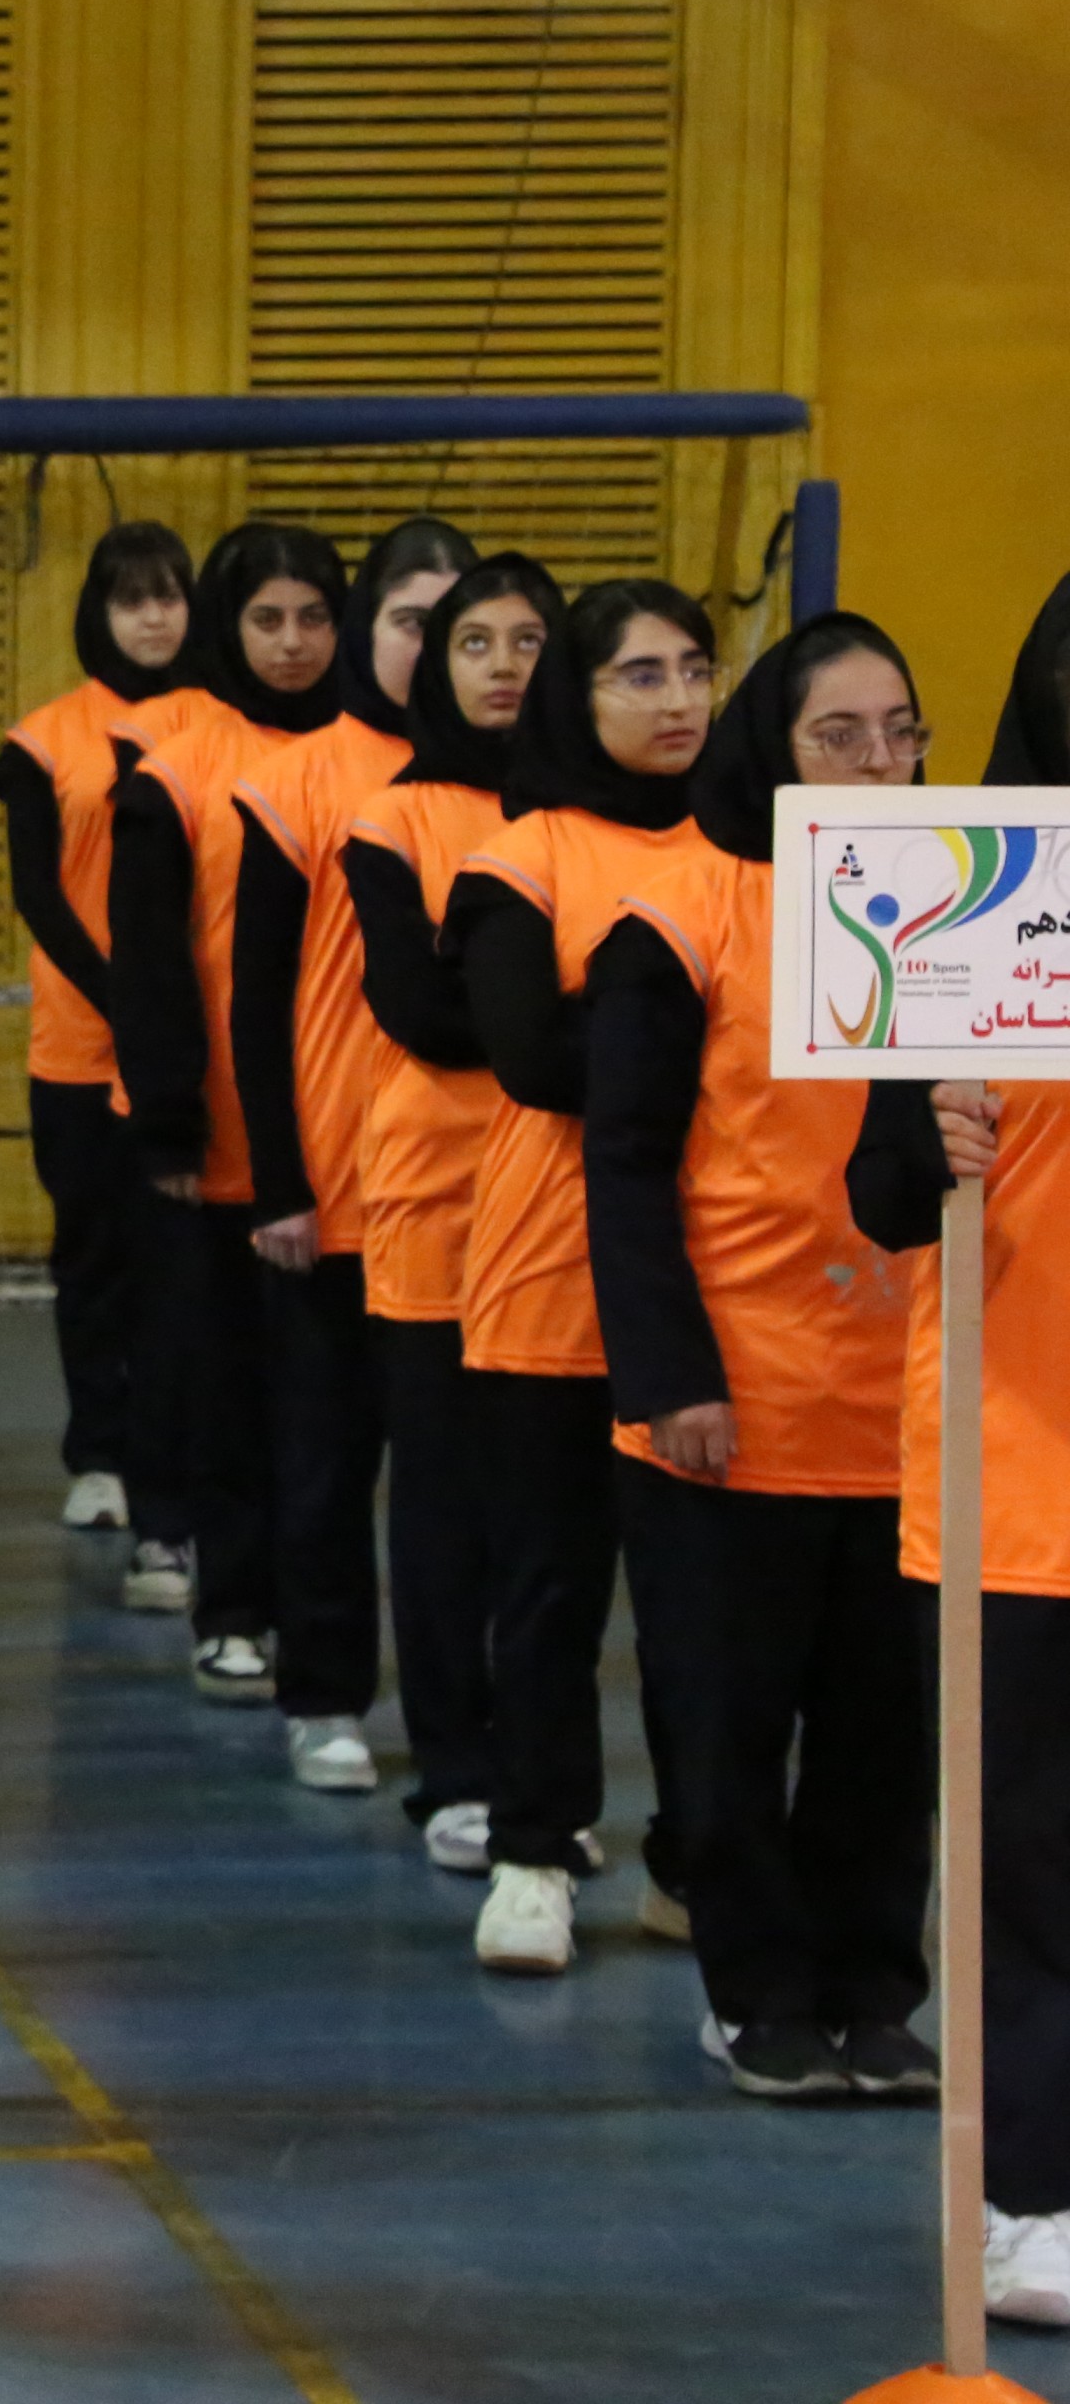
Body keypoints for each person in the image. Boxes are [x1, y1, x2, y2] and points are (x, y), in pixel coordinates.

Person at [586, 613, 936, 2102]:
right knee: (727, 1723)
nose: (877, 762)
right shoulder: (680, 916)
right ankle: (755, 1992)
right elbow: (623, 1162)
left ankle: (872, 1990)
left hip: (912, 1397)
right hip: (734, 1394)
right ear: (772, 751)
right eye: (837, 736)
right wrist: (670, 1375)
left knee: (885, 1736)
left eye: (900, 733)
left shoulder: (959, 911)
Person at [846, 572, 1070, 2324]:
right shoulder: (967, 890)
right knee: (1027, 1854)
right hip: (1022, 1465)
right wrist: (929, 1136)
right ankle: (1028, 2190)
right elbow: (873, 1188)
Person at [443, 575, 716, 1975]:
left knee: (704, 1609)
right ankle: (534, 1851)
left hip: (719, 1280)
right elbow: (536, 1061)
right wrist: (690, 1029)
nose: (677, 701)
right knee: (550, 1588)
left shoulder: (753, 848)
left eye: (695, 670)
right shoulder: (522, 857)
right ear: (578, 695)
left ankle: (695, 1860)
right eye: (640, 675)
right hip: (552, 1276)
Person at [226, 515, 474, 1791]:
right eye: (409, 621)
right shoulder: (300, 778)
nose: (433, 648)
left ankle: (465, 1746)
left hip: (479, 1202)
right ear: (366, 630)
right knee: (323, 1462)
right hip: (332, 1188)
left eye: (459, 626)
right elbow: (255, 994)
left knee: (456, 1491)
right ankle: (321, 1693)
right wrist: (277, 1178)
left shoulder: (517, 786)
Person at [104, 521, 347, 1704]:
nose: (291, 642)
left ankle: (322, 1628)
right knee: (226, 1391)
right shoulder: (172, 767)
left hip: (346, 1148)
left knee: (329, 1417)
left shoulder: (381, 760)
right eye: (266, 619)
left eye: (312, 617)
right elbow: (148, 960)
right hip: (219, 1142)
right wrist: (168, 1123)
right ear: (225, 627)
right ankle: (234, 1608)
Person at [343, 558, 553, 1869]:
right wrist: (555, 1021)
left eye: (529, 641)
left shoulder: (593, 817)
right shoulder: (392, 818)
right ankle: (454, 1770)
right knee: (439, 1502)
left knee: (551, 1517)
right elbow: (419, 1010)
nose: (503, 666)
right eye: (474, 642)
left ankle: (540, 1778)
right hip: (435, 1196)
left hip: (571, 1200)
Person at [0, 521, 197, 1576]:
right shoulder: (42, 740)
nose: (153, 617)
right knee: (93, 1260)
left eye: (169, 596)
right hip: (77, 1049)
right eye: (131, 598)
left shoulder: (220, 727)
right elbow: (37, 892)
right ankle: (98, 1456)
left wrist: (173, 1010)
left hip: (195, 1057)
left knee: (182, 1270)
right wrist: (127, 995)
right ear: (98, 612)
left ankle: (178, 1460)